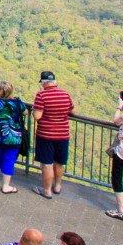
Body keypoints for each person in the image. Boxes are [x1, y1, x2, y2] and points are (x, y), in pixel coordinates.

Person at [32, 70, 74, 198]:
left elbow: (37, 116)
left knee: (47, 163)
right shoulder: (65, 94)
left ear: (43, 83)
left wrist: (36, 110)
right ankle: (57, 186)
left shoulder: (41, 96)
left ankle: (46, 190)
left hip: (46, 135)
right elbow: (72, 111)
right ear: (55, 82)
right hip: (63, 134)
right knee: (60, 162)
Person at [0, 81, 27, 194]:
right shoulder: (17, 102)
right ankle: (6, 185)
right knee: (9, 160)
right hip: (13, 137)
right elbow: (26, 112)